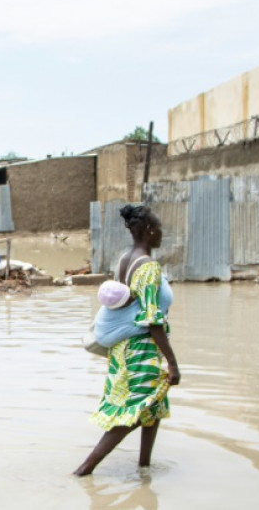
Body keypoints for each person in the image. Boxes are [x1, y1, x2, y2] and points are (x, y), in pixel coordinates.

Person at [73, 204, 181, 477]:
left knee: (153, 408)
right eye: (158, 230)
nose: (161, 235)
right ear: (149, 230)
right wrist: (172, 362)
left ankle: (144, 468)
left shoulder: (125, 259)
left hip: (125, 348)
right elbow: (152, 318)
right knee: (134, 412)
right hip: (140, 350)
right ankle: (83, 471)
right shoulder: (148, 267)